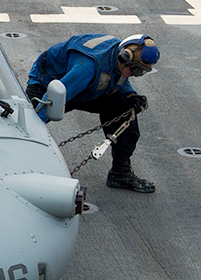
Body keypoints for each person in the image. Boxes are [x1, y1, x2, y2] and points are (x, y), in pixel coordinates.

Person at [26, 34, 159, 193]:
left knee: (124, 108)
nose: (135, 74)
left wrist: (130, 95)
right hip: (51, 85)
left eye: (140, 72)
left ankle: (120, 172)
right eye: (136, 69)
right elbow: (54, 97)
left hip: (89, 88)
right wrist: (31, 125)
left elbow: (120, 79)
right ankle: (22, 164)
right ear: (124, 57)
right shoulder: (87, 67)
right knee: (30, 123)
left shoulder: (118, 58)